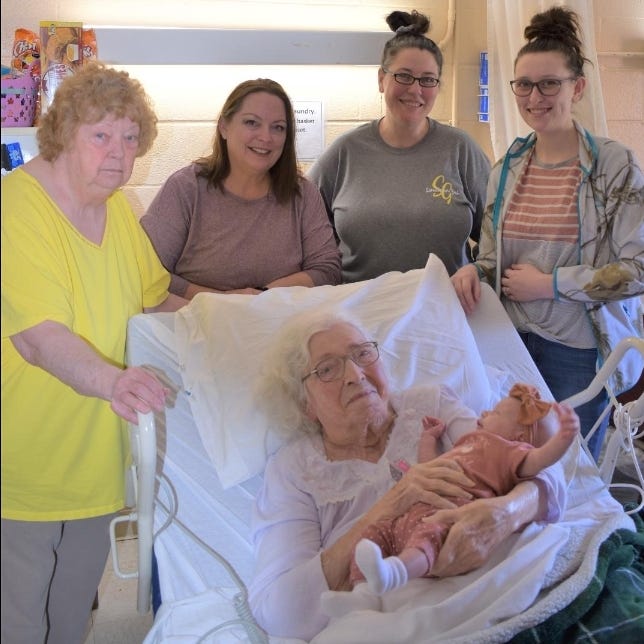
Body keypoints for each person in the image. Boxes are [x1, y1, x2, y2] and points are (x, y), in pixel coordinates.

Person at [1, 62, 187, 644]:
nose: (119, 153)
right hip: (21, 466)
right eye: (101, 134)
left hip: (97, 462)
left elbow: (156, 300)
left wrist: (241, 315)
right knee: (19, 623)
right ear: (62, 134)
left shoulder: (118, 212)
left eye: (131, 137)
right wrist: (113, 383)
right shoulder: (17, 207)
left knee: (73, 616)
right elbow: (37, 337)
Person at [248, 310, 566, 640]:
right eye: (327, 369)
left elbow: (535, 461)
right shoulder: (292, 471)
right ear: (306, 405)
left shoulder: (432, 405)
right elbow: (282, 613)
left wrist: (507, 512)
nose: (355, 374)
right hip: (394, 616)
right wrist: (392, 504)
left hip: (492, 576)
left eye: (362, 354)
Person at [451, 7, 644, 461]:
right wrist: (471, 273)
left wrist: (551, 285)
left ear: (577, 87)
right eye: (523, 84)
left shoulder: (614, 166)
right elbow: (494, 260)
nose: (534, 96)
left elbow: (637, 271)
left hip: (577, 350)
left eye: (549, 83)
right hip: (510, 340)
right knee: (513, 466)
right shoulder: (505, 169)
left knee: (572, 474)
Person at [307, 9, 491, 283]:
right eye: (403, 76)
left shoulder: (461, 150)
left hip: (444, 309)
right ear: (382, 79)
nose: (415, 90)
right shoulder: (344, 153)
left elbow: (496, 237)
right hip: (360, 312)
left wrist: (477, 273)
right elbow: (306, 236)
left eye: (428, 79)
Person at [350, 383, 579, 597]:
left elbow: (541, 460)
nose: (485, 413)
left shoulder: (509, 453)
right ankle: (362, 592)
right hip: (413, 512)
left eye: (496, 413)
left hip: (446, 514)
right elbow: (429, 468)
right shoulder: (468, 441)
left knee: (429, 538)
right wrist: (428, 439)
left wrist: (562, 440)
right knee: (375, 531)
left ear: (519, 438)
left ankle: (396, 572)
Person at [140, 78, 341, 298]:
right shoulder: (185, 189)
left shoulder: (302, 194)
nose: (266, 137)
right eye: (252, 123)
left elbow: (327, 269)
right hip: (199, 323)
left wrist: (262, 296)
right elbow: (147, 271)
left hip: (281, 322)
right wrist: (225, 302)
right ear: (224, 127)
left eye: (278, 127)